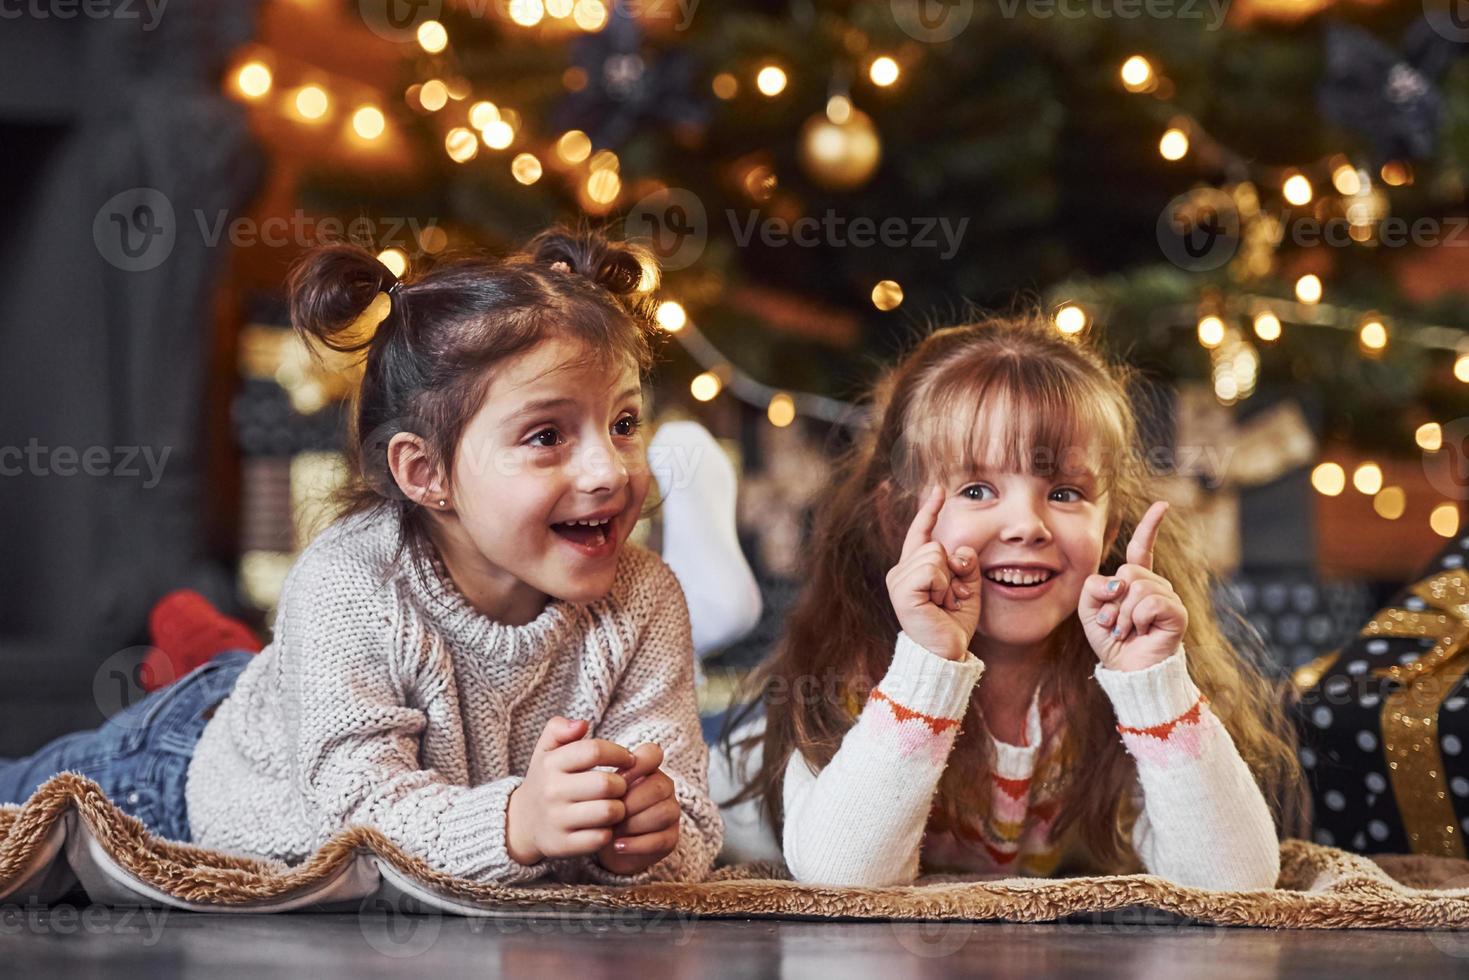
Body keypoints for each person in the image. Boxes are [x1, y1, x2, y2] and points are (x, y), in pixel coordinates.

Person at [0, 227, 722, 886]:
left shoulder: (645, 597)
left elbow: (688, 810)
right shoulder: (352, 583)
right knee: (17, 814)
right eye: (545, 437)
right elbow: (361, 814)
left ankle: (223, 652)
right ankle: (215, 665)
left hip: (309, 705)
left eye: (623, 422)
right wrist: (514, 826)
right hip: (176, 777)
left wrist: (642, 836)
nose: (608, 471)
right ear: (425, 473)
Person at [715, 312, 1306, 889]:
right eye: (977, 489)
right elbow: (842, 878)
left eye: (1066, 492)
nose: (1026, 524)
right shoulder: (854, 668)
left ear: (1111, 523)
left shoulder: (1117, 685)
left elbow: (1237, 882)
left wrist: (1154, 684)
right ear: (898, 519)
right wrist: (929, 664)